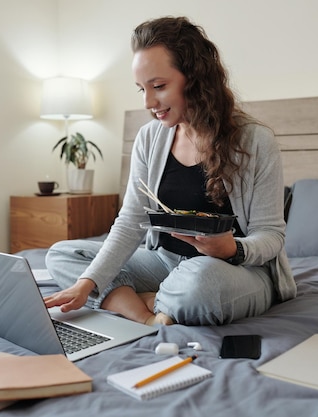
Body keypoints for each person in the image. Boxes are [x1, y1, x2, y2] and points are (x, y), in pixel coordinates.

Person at [43, 16, 296, 326]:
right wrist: (88, 283)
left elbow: (271, 236)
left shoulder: (256, 141)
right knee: (63, 254)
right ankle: (147, 314)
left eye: (159, 86)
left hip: (232, 270)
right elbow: (131, 222)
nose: (149, 102)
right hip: (163, 261)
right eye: (142, 90)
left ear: (195, 77)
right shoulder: (150, 138)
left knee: (201, 283)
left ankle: (140, 296)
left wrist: (234, 248)